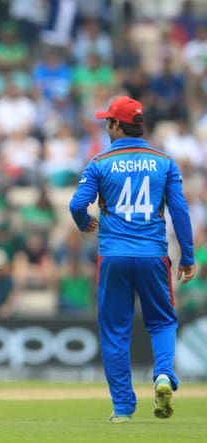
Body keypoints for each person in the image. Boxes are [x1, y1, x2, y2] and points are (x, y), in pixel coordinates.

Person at [69, 96, 196, 423]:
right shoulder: (163, 160)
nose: (105, 125)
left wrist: (86, 224)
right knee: (163, 321)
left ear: (115, 125)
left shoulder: (99, 161)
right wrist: (187, 256)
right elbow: (179, 211)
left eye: (107, 121)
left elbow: (76, 205)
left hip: (112, 256)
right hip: (154, 255)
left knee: (115, 331)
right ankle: (164, 376)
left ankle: (124, 409)